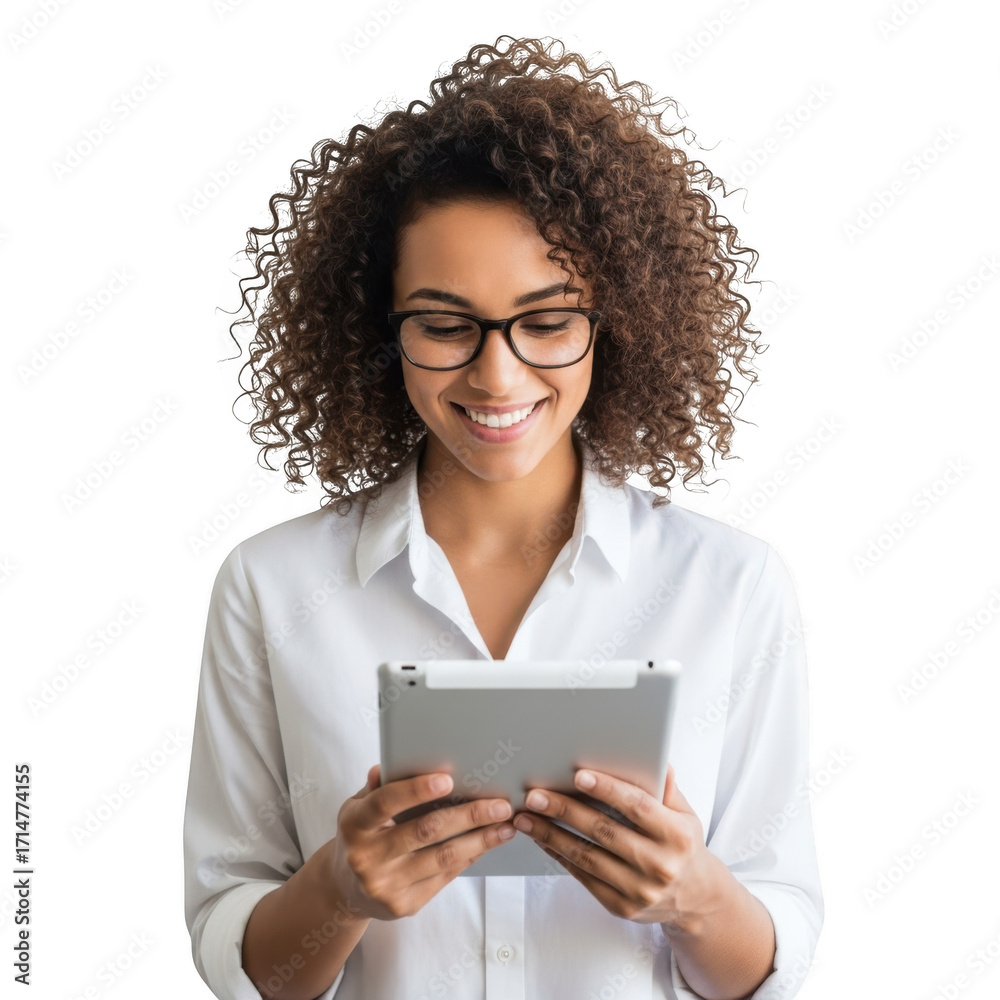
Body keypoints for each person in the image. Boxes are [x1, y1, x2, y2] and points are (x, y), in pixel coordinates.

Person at [183, 35, 823, 1000]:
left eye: (547, 320)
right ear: (379, 330)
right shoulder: (272, 590)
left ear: (617, 321)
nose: (497, 374)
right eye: (444, 324)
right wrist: (340, 888)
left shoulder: (731, 586)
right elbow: (249, 959)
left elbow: (774, 951)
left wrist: (693, 897)